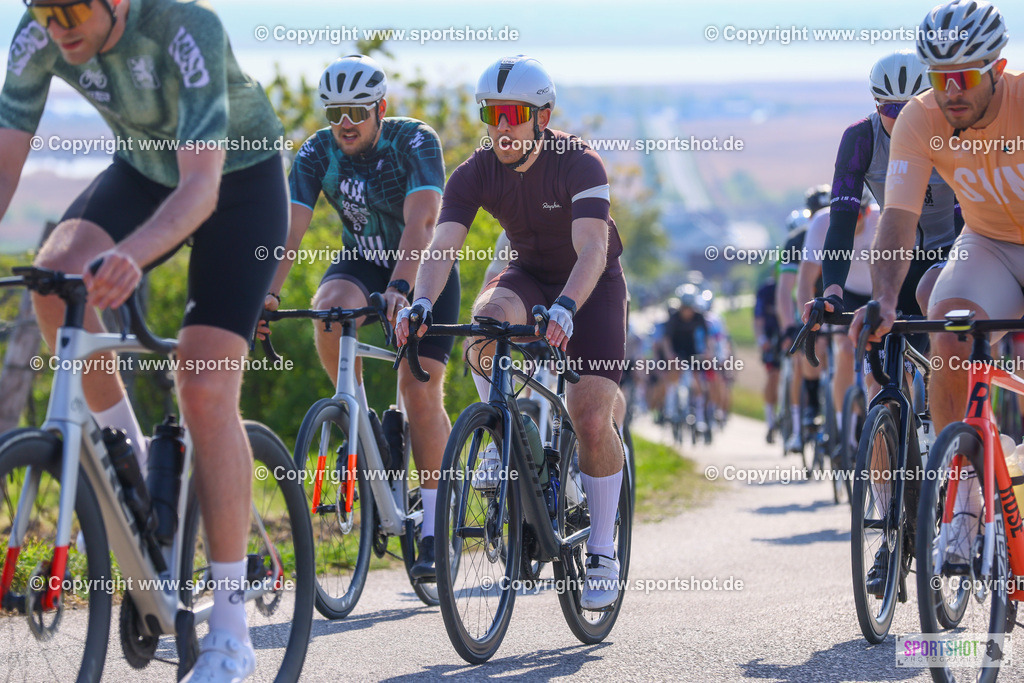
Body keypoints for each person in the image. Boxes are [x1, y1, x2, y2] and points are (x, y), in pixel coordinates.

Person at [0, 0, 288, 678]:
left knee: (203, 379)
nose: (57, 23)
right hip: (142, 169)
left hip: (235, 185)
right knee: (53, 279)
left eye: (71, 7)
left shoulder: (187, 29)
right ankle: (126, 465)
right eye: (43, 9)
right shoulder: (39, 30)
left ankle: (229, 630)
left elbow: (200, 187)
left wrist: (130, 254)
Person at [395, 55, 628, 611]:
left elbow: (592, 250)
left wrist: (568, 307)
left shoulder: (580, 163)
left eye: (514, 115)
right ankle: (500, 436)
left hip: (589, 285)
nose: (501, 127)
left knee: (591, 416)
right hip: (526, 273)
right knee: (485, 325)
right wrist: (422, 300)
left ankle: (601, 550)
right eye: (492, 114)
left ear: (542, 116)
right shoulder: (475, 171)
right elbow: (442, 246)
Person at [262, 55, 458, 580]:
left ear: (380, 109)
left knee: (419, 392)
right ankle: (359, 415)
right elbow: (289, 229)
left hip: (425, 267)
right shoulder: (316, 152)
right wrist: (267, 295)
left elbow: (424, 220)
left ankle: (436, 529)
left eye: (355, 110)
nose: (344, 122)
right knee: (328, 310)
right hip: (363, 263)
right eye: (333, 112)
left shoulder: (414, 140)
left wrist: (402, 286)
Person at [850, 0, 1011, 582]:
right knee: (946, 321)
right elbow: (896, 216)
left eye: (964, 77)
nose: (951, 93)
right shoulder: (920, 119)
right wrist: (885, 299)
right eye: (940, 78)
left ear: (996, 66)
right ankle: (963, 507)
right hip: (987, 243)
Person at [754, 276, 780, 442]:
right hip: (771, 338)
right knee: (772, 377)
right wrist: (762, 339)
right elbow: (758, 318)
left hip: (792, 335)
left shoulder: (798, 284)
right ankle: (770, 421)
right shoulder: (765, 290)